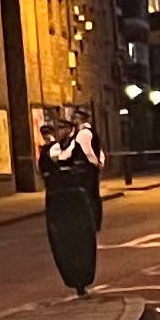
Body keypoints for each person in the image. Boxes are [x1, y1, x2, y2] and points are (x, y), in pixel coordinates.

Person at [37, 111, 104, 297]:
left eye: (65, 128)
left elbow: (87, 161)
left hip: (76, 197)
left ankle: (82, 279)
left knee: (80, 240)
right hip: (60, 199)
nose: (62, 132)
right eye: (60, 129)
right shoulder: (52, 149)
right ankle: (75, 279)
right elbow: (45, 168)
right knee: (65, 243)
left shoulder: (76, 144)